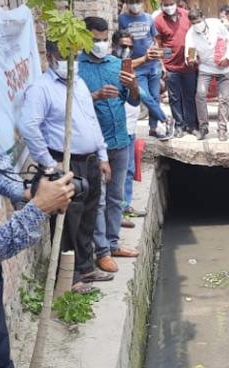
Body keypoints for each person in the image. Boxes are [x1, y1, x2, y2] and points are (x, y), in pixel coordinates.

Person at [18, 41, 114, 293]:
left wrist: (102, 156)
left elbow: (91, 120)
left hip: (91, 160)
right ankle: (69, 279)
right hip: (65, 162)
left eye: (73, 55)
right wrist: (50, 164)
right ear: (49, 57)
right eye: (63, 55)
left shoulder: (78, 82)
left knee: (88, 217)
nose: (69, 61)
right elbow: (29, 126)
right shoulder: (41, 88)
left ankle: (85, 267)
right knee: (67, 221)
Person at [80, 17, 142, 276]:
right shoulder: (77, 70)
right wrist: (95, 97)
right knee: (100, 200)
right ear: (84, 39)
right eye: (95, 40)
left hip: (120, 140)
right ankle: (102, 252)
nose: (100, 44)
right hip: (95, 146)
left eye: (104, 39)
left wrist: (134, 85)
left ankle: (114, 243)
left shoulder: (117, 65)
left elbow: (134, 101)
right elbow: (74, 109)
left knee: (117, 197)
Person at [119, 1, 169, 139]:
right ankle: (165, 119)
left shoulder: (148, 18)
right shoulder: (122, 19)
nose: (135, 5)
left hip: (153, 65)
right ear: (127, 4)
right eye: (131, 2)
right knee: (145, 97)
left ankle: (153, 128)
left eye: (137, 2)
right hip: (137, 66)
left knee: (155, 97)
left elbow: (154, 40)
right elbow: (121, 42)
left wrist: (161, 63)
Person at [184, 8, 229, 142]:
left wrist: (228, 56)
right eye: (194, 23)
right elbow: (190, 52)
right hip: (205, 67)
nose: (197, 25)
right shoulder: (191, 34)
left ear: (204, 17)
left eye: (199, 21)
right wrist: (191, 59)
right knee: (200, 94)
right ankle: (203, 127)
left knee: (224, 99)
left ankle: (222, 130)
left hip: (223, 67)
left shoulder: (216, 24)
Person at [155, 0, 199, 138]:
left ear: (176, 3)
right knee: (174, 97)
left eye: (171, 4)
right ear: (162, 5)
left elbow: (195, 36)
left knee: (190, 96)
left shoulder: (187, 15)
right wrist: (162, 63)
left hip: (188, 65)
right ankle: (179, 125)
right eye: (165, 5)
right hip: (170, 66)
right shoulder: (158, 20)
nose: (169, 7)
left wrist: (192, 57)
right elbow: (159, 43)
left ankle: (191, 125)